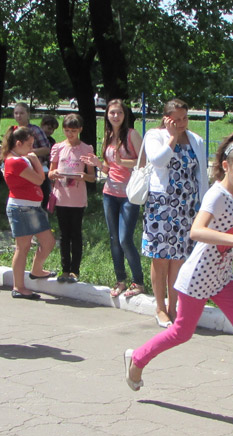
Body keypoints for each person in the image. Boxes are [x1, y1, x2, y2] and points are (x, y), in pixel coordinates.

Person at [124, 136, 233, 417]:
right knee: (182, 332)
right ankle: (137, 358)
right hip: (198, 276)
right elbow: (197, 231)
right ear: (225, 166)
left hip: (221, 276)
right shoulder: (216, 194)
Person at [141, 98, 210, 328]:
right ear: (167, 119)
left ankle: (174, 308)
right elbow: (158, 162)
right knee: (160, 258)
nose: (182, 123)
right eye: (177, 119)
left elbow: (202, 175)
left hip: (187, 207)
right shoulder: (155, 136)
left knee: (179, 259)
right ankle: (160, 308)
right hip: (161, 206)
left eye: (185, 118)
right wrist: (171, 137)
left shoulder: (196, 140)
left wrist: (205, 206)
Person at [83, 99, 144, 298]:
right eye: (112, 113)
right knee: (114, 239)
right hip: (109, 193)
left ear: (125, 115)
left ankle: (139, 282)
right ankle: (120, 281)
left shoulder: (132, 134)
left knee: (125, 238)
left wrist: (122, 161)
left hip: (129, 194)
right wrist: (97, 164)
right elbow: (109, 168)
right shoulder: (108, 136)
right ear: (107, 115)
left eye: (119, 112)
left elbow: (144, 162)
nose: (115, 116)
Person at [0, 126, 56, 299]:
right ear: (18, 143)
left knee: (48, 242)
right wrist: (36, 160)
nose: (32, 149)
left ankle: (36, 270)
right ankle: (18, 286)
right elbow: (39, 179)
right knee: (22, 247)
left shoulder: (18, 159)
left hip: (30, 207)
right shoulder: (15, 161)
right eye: (30, 145)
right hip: (22, 208)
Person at [48, 114, 95, 282]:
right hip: (61, 197)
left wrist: (83, 176)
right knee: (64, 234)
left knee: (76, 234)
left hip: (77, 198)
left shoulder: (86, 149)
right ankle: (65, 269)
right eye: (67, 130)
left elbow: (92, 176)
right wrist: (54, 173)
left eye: (73, 131)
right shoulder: (58, 148)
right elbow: (51, 173)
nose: (70, 134)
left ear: (80, 130)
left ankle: (75, 269)